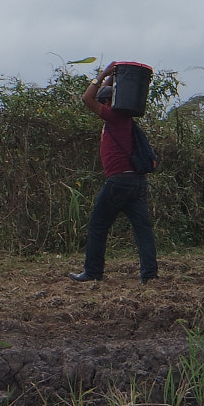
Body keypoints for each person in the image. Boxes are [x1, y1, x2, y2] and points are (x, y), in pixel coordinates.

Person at [70, 62, 158, 283]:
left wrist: (105, 73)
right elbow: (103, 96)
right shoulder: (124, 119)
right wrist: (115, 78)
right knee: (142, 229)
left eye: (104, 103)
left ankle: (93, 271)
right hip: (136, 182)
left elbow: (87, 98)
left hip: (119, 182)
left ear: (109, 103)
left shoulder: (115, 116)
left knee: (98, 225)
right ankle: (149, 274)